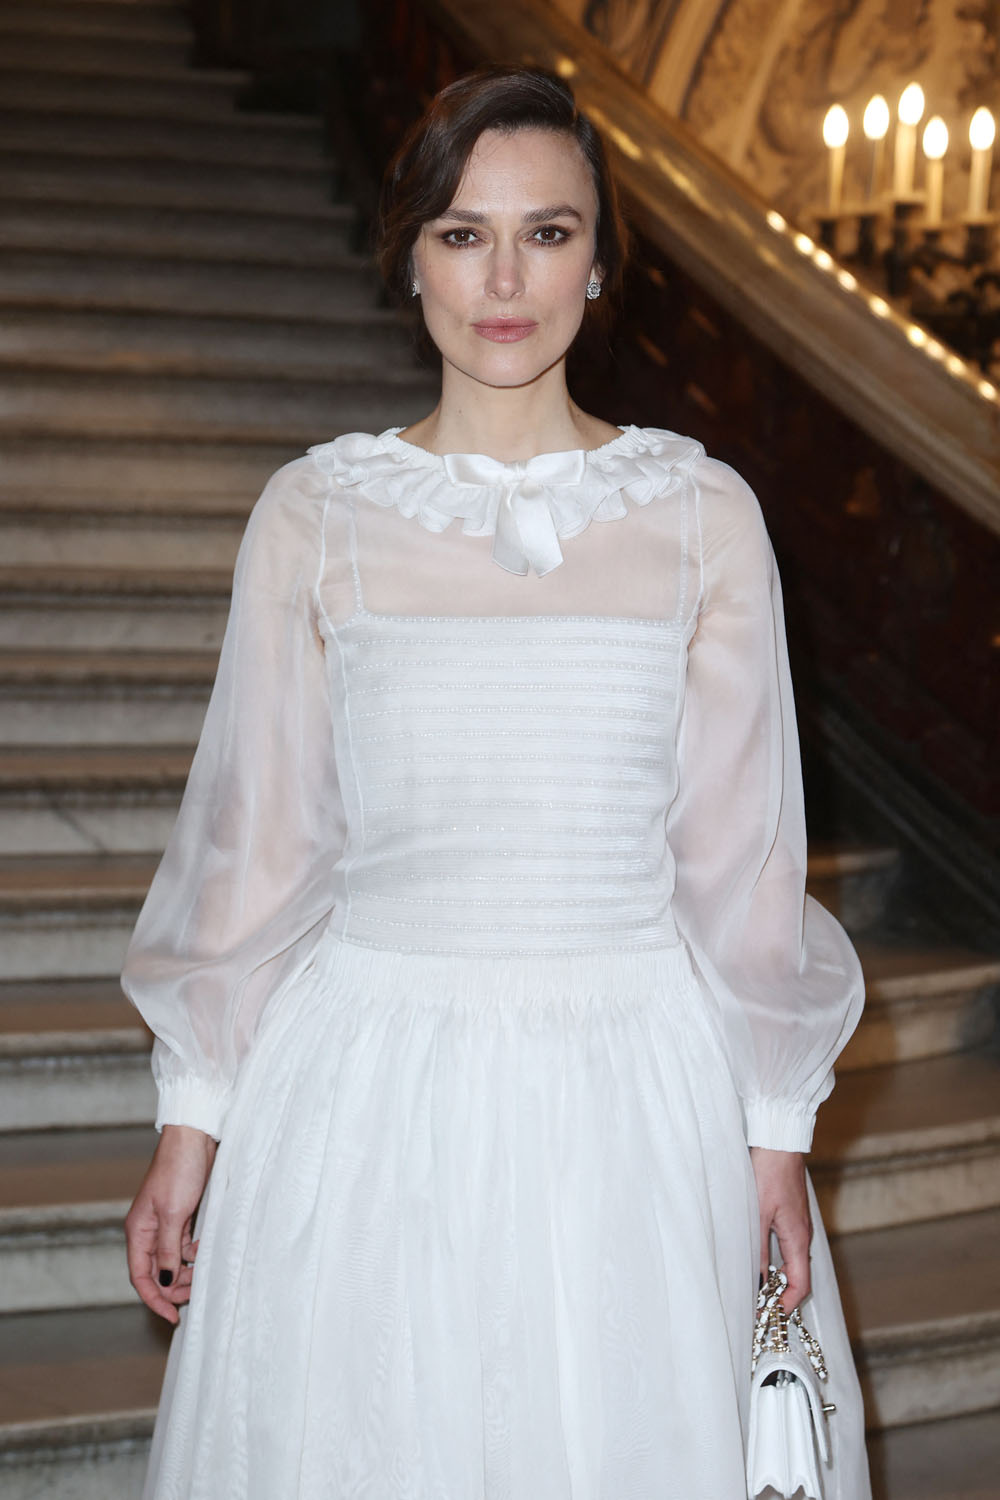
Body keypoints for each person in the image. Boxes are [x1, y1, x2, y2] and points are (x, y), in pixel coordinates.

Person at [122, 64, 871, 1500]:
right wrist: (190, 1120)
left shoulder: (704, 514)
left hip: (633, 1086)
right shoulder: (316, 514)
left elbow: (742, 857)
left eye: (548, 232)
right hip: (364, 1084)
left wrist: (775, 1129)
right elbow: (258, 845)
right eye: (464, 234)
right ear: (411, 257)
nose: (506, 280)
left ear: (601, 262)